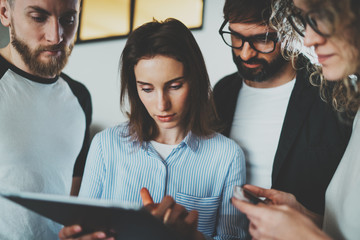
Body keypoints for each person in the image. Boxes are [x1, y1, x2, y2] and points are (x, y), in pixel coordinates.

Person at [59, 18, 247, 240]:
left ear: (195, 80)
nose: (162, 105)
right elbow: (84, 228)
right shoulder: (105, 145)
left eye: (175, 86)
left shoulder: (227, 156)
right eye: (147, 89)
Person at [232, 0, 360, 239]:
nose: (308, 39)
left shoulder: (332, 100)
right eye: (305, 20)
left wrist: (302, 235)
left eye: (322, 18)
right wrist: (306, 218)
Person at [0, 0, 92, 239]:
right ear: (5, 13)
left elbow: (74, 192)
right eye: (38, 18)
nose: (56, 36)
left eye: (68, 19)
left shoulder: (79, 97)